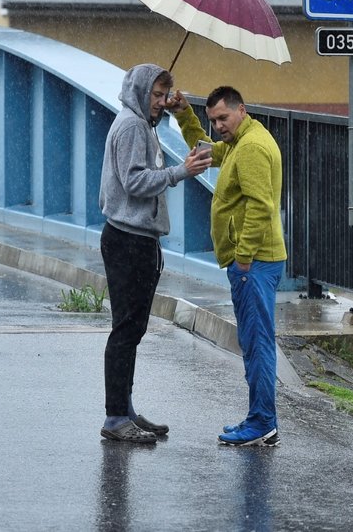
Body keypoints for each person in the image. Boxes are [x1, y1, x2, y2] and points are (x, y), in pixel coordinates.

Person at [168, 85, 287, 447]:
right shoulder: (241, 140)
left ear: (241, 110)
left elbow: (260, 206)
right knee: (253, 341)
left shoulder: (250, 148)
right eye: (214, 119)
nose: (219, 125)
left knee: (258, 343)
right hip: (257, 261)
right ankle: (259, 419)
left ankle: (263, 422)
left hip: (256, 263)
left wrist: (244, 257)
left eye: (223, 117)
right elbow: (207, 152)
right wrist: (185, 115)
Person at [99, 64, 212, 443]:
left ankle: (124, 408)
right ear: (141, 91)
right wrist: (181, 171)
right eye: (157, 95)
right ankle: (116, 416)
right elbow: (133, 181)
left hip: (132, 237)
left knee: (132, 328)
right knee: (126, 330)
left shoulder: (139, 122)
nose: (162, 103)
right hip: (129, 240)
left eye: (166, 96)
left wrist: (178, 110)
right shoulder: (132, 126)